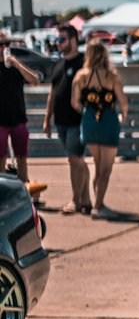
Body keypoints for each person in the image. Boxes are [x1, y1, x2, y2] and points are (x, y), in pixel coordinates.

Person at [71, 39, 128, 219]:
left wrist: (87, 111)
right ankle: (98, 205)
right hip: (108, 119)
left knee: (97, 163)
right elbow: (123, 103)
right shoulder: (112, 76)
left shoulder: (81, 76)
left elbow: (74, 102)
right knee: (106, 168)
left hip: (89, 121)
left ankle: (99, 202)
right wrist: (122, 116)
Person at [42, 24, 91, 213]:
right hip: (60, 121)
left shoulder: (83, 63)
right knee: (77, 159)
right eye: (57, 40)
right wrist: (47, 119)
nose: (58, 43)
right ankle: (85, 198)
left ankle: (75, 200)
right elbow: (52, 94)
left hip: (78, 120)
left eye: (61, 39)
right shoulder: (58, 64)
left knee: (74, 159)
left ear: (73, 39)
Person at [0, 35, 45, 193]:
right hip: (1, 121)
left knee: (22, 158)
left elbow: (35, 80)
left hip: (18, 118)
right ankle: (4, 193)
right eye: (1, 44)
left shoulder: (15, 66)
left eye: (6, 44)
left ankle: (24, 191)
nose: (4, 47)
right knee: (1, 159)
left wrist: (17, 64)